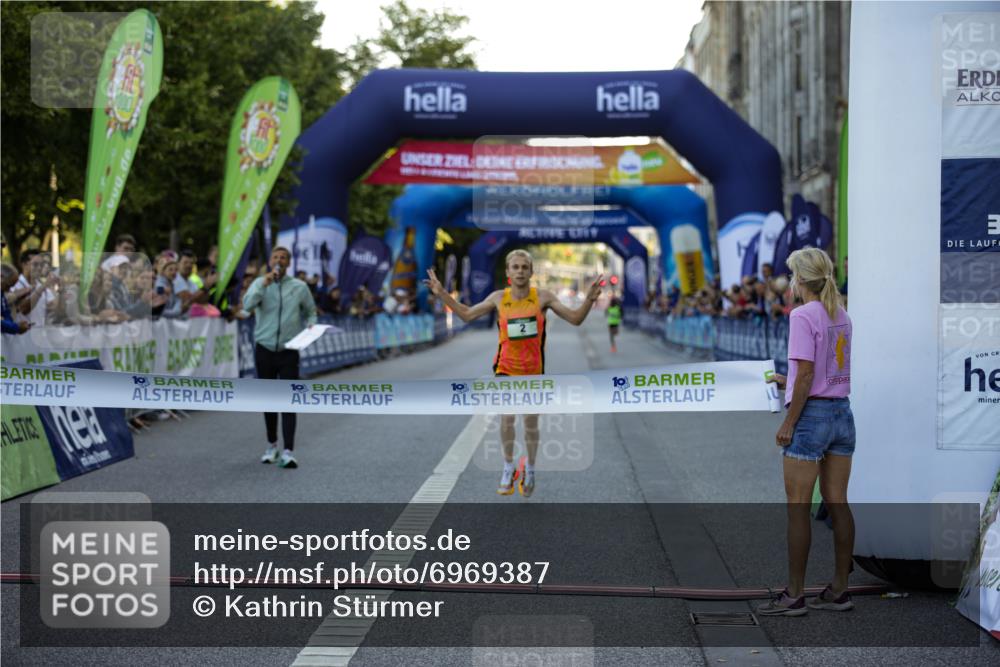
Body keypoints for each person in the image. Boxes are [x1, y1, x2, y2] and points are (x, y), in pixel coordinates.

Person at [424, 249, 603, 497]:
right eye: (515, 267)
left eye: (524, 267)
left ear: (531, 271)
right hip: (505, 370)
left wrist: (590, 300)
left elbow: (574, 319)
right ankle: (509, 467)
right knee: (507, 419)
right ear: (508, 272)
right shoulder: (499, 298)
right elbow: (466, 314)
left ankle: (529, 468)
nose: (520, 271)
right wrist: (442, 293)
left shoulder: (543, 298)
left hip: (533, 373)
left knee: (530, 425)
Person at [758, 247, 855, 617]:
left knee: (797, 510)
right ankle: (839, 590)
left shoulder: (802, 315)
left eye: (792, 277)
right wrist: (790, 379)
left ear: (799, 280)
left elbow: (809, 375)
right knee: (838, 504)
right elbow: (820, 372)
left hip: (811, 417)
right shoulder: (841, 314)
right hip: (842, 413)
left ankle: (794, 595)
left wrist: (788, 423)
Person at [241, 247, 317, 469]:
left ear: (288, 263)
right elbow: (247, 306)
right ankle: (271, 445)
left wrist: (311, 323)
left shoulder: (299, 287)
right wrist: (262, 285)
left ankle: (288, 451)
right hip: (264, 348)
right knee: (268, 400)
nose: (279, 260)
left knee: (289, 400)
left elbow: (311, 310)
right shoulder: (259, 283)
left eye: (283, 258)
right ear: (269, 261)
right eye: (275, 257)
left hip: (289, 350)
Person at [1, 263, 31, 334]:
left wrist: (16, 325)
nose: (8, 290)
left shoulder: (2, 294)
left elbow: (6, 314)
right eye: (8, 286)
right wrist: (16, 327)